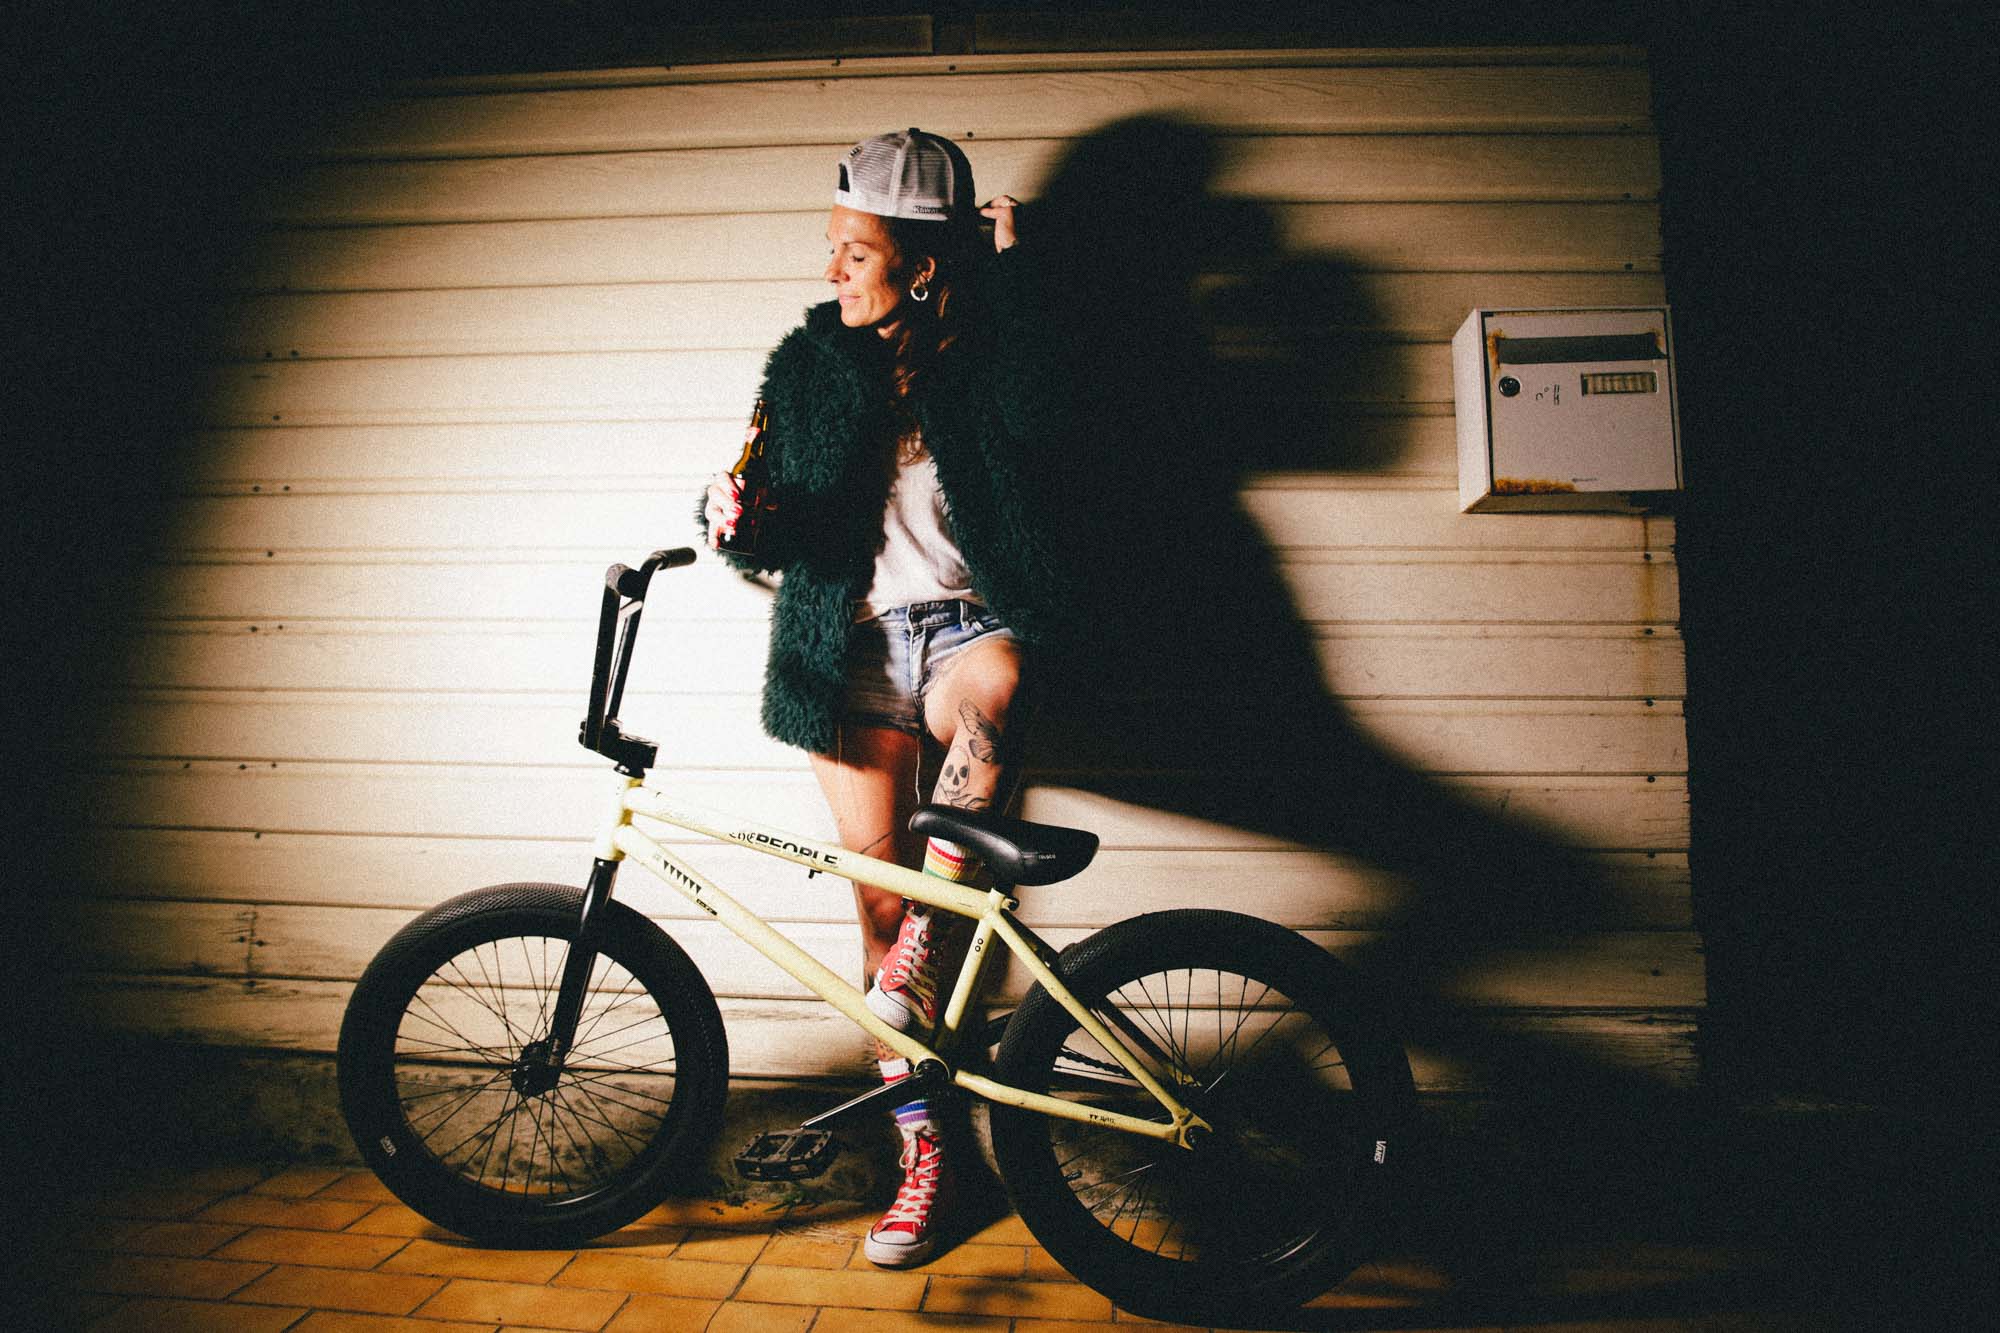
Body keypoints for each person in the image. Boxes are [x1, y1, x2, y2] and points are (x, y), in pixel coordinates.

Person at [699, 128, 1065, 1268]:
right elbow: (772, 519)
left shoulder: (996, 349)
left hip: (966, 630)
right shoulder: (810, 364)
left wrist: (1019, 286)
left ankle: (913, 961)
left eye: (852, 253)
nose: (831, 272)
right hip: (847, 650)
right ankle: (930, 1167)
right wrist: (729, 515)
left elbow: (1058, 433)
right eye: (832, 250)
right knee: (877, 938)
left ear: (919, 260)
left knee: (998, 696)